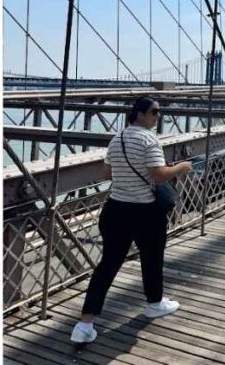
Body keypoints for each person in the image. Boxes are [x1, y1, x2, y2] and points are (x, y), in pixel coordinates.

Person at [69, 98, 193, 345]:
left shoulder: (118, 138)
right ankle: (154, 304)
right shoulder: (149, 139)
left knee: (107, 266)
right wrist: (180, 167)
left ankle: (84, 325)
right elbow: (158, 176)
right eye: (154, 112)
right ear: (139, 114)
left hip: (115, 210)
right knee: (152, 258)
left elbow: (106, 174)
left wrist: (128, 172)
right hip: (144, 212)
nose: (158, 117)